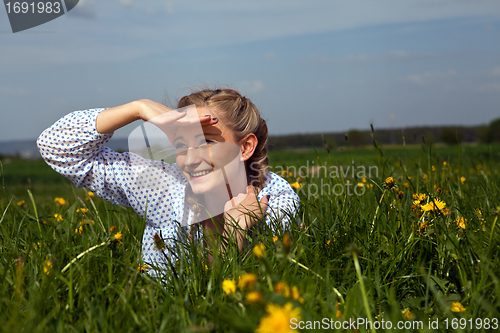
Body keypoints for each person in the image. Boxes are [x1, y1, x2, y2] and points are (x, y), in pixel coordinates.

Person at [37, 88, 299, 270]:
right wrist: (136, 109)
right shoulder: (166, 187)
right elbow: (56, 148)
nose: (190, 159)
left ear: (245, 147)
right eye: (182, 145)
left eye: (207, 141)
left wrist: (237, 231)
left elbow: (232, 307)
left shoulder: (274, 207)